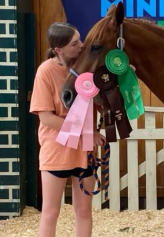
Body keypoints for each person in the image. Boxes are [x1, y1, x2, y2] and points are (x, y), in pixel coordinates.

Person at [30, 22, 106, 237]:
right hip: (56, 150)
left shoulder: (86, 66)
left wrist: (124, 77)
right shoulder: (45, 71)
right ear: (59, 50)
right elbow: (46, 118)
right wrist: (86, 132)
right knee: (51, 212)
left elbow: (103, 98)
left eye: (80, 39)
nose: (81, 46)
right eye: (75, 43)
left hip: (84, 149)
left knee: (84, 211)